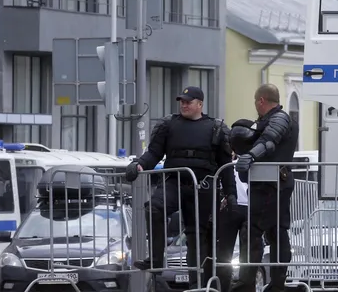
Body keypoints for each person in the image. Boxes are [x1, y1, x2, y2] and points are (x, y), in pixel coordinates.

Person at [125, 86, 237, 285]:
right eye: (182, 101)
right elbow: (153, 153)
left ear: (200, 104)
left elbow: (226, 166)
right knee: (154, 208)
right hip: (174, 182)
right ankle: (156, 259)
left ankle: (198, 285)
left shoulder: (216, 128)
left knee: (197, 237)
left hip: (203, 187)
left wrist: (231, 194)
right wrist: (139, 164)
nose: (184, 105)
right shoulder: (169, 125)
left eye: (188, 102)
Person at [234, 84, 299, 292]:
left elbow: (269, 141)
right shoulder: (272, 119)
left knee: (253, 231)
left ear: (261, 100)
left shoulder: (279, 118)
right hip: (273, 182)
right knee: (276, 232)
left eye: (256, 102)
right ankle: (276, 284)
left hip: (270, 184)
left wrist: (250, 156)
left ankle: (247, 283)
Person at [215, 119, 254, 292]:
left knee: (244, 253)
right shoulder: (228, 156)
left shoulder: (253, 154)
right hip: (232, 206)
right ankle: (224, 287)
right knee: (226, 253)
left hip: (245, 207)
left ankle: (241, 286)